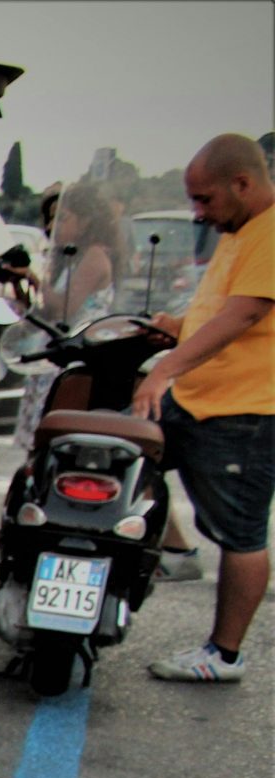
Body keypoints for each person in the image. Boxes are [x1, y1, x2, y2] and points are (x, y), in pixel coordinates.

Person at [133, 134, 274, 683]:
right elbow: (218, 312)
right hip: (195, 399)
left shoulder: (270, 232)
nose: (198, 212)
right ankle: (175, 553)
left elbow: (245, 315)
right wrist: (176, 328)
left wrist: (164, 369)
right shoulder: (240, 230)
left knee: (241, 534)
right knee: (125, 453)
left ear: (242, 183)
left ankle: (224, 655)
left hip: (245, 414)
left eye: (205, 199)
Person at [11, 181, 126, 453]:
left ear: (85, 222)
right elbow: (45, 313)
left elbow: (65, 307)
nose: (53, 227)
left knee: (55, 431)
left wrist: (34, 278)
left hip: (74, 358)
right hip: (54, 355)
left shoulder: (95, 256)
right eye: (50, 219)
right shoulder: (70, 259)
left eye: (62, 219)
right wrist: (19, 283)